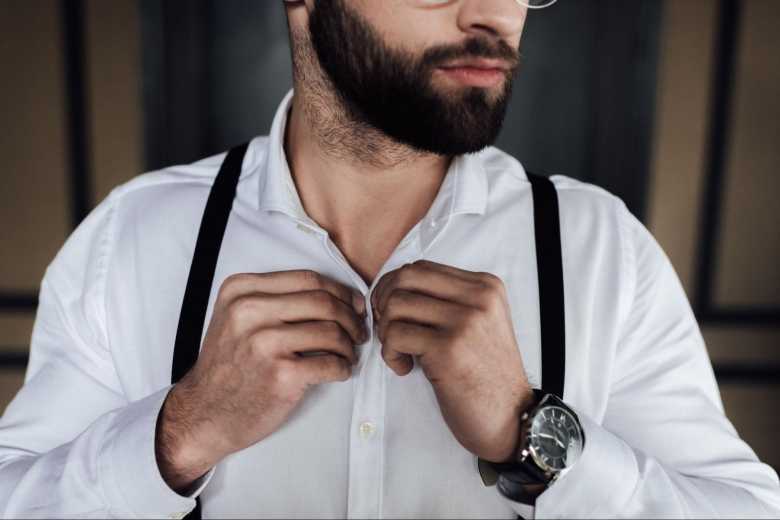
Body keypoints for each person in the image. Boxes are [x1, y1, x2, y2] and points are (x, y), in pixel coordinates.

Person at [1, 0, 779, 518]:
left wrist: (530, 436)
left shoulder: (599, 247)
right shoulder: (132, 239)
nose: (493, 13)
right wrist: (177, 435)